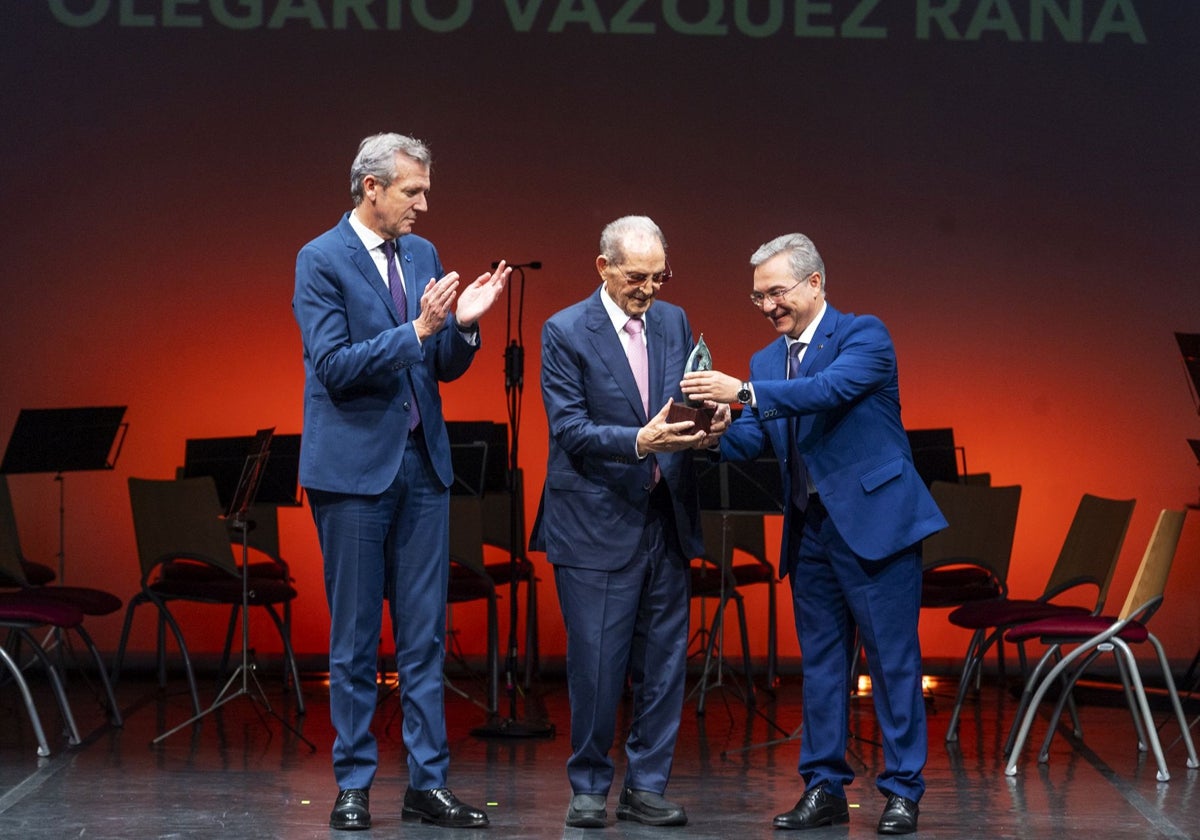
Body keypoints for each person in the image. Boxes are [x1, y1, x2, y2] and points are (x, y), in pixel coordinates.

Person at [680, 233, 945, 835]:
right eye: (758, 297)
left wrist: (744, 395)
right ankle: (823, 786)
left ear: (815, 283)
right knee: (822, 665)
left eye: (776, 291)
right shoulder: (767, 362)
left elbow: (825, 393)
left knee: (891, 662)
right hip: (813, 529)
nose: (768, 305)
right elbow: (766, 442)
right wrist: (715, 430)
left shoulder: (863, 335)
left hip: (876, 525)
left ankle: (903, 789)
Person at [292, 132, 510, 832]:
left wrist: (463, 330)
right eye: (412, 191)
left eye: (425, 191)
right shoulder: (320, 259)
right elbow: (334, 364)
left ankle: (427, 783)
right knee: (355, 639)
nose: (424, 203)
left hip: (422, 467)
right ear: (371, 189)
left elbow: (438, 363)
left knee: (423, 638)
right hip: (353, 473)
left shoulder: (422, 255)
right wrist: (419, 329)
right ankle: (354, 783)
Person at [529, 215, 728, 829]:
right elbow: (568, 429)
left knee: (664, 663)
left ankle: (646, 784)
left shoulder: (672, 320)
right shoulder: (564, 331)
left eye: (659, 276)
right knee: (596, 664)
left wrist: (713, 425)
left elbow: (686, 400)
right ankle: (589, 785)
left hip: (665, 516)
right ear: (604, 268)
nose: (649, 289)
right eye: (637, 277)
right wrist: (640, 441)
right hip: (595, 517)